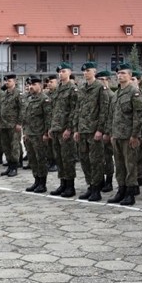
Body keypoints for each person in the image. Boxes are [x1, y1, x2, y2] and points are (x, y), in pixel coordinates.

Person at [106, 64, 142, 205]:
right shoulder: (116, 94)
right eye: (118, 73)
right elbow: (112, 116)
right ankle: (121, 190)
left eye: (122, 73)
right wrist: (111, 133)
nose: (119, 75)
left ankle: (130, 192)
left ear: (129, 75)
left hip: (129, 136)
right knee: (120, 165)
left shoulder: (134, 92)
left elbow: (139, 116)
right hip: (117, 136)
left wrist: (135, 135)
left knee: (130, 166)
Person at [73, 62, 108, 201]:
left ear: (94, 72)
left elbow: (104, 110)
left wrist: (100, 129)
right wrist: (76, 129)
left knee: (96, 161)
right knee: (84, 160)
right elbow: (78, 109)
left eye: (88, 70)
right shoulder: (81, 88)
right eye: (84, 71)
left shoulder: (100, 87)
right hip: (82, 130)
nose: (85, 73)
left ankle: (96, 188)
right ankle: (90, 185)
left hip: (94, 130)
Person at [49, 62, 79, 197]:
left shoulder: (72, 88)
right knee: (59, 158)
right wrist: (51, 127)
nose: (61, 74)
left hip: (66, 129)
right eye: (59, 72)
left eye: (63, 71)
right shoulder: (58, 88)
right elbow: (54, 110)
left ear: (70, 72)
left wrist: (69, 128)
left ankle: (70, 186)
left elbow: (74, 110)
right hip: (56, 128)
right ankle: (62, 183)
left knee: (68, 158)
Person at [22, 77, 52, 193]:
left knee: (41, 159)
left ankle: (42, 183)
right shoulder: (29, 99)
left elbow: (48, 118)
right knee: (32, 159)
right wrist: (25, 133)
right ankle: (36, 180)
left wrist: (46, 133)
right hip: (29, 134)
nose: (31, 87)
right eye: (30, 85)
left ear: (40, 85)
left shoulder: (44, 100)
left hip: (39, 134)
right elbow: (26, 118)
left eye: (34, 84)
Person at [0, 73, 23, 177]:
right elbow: (1, 109)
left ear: (14, 82)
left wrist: (19, 123)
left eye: (9, 81)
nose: (7, 82)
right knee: (6, 146)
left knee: (14, 146)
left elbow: (22, 109)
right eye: (6, 81)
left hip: (13, 125)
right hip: (4, 125)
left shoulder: (18, 94)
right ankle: (9, 165)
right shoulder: (4, 94)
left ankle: (14, 167)